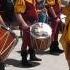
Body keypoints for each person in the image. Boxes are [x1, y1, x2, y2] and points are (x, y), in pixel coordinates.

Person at [14, 0, 41, 67]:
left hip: (32, 23)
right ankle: (24, 60)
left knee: (31, 40)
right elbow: (18, 13)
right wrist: (23, 23)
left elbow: (31, 11)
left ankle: (32, 55)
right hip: (26, 23)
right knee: (25, 41)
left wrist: (40, 11)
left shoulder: (33, 0)